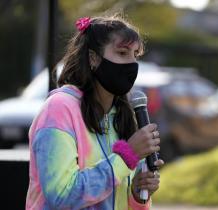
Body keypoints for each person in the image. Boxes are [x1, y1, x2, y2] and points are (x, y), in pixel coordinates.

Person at [26, 16, 164, 210]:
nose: (132, 64)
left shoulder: (121, 115)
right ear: (93, 58)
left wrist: (137, 194)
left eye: (135, 55)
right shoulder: (59, 109)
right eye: (122, 53)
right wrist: (126, 156)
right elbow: (61, 196)